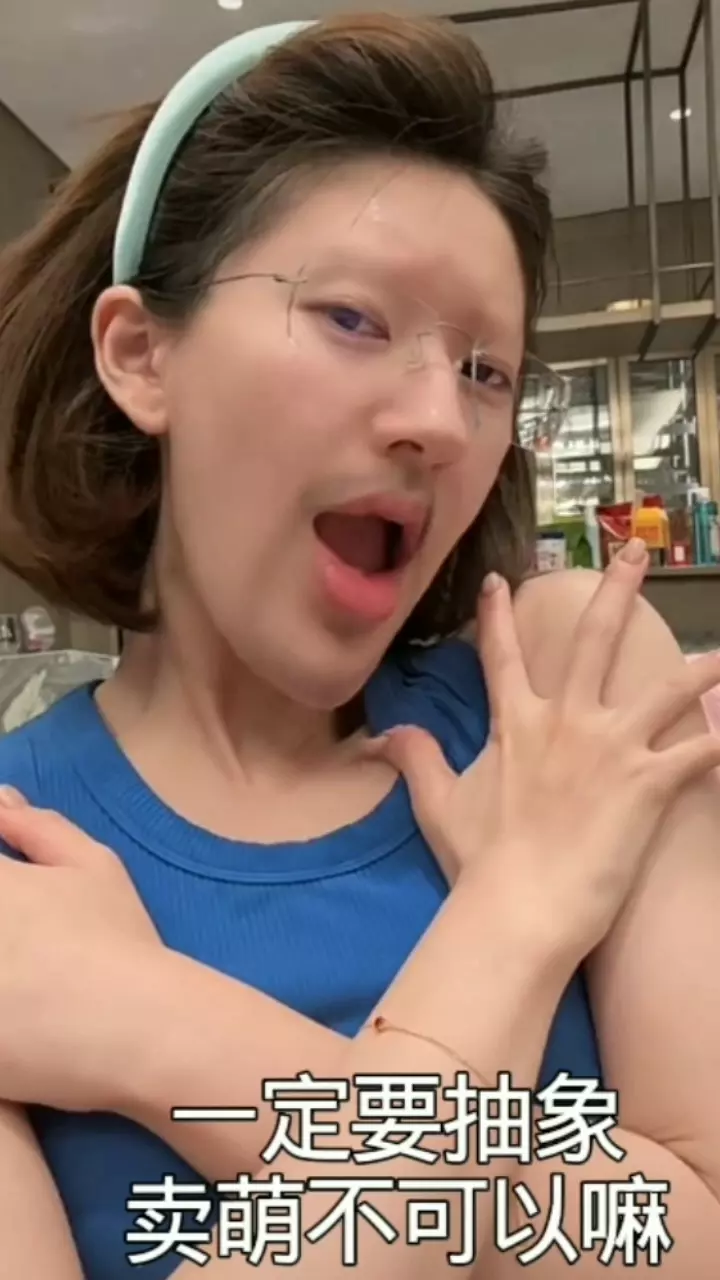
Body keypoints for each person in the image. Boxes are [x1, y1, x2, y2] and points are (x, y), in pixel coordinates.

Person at [0, 13, 718, 1280]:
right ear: (141, 354)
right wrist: (523, 919)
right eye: (351, 317)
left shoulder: (564, 692)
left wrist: (156, 1030)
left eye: (488, 370)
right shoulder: (18, 860)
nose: (440, 415)